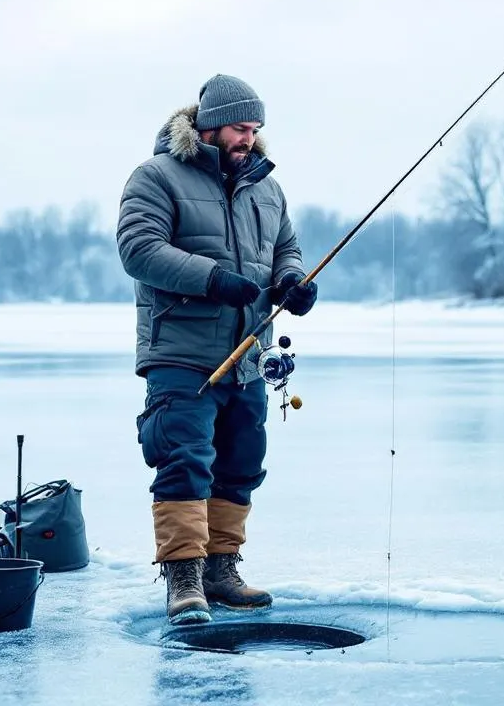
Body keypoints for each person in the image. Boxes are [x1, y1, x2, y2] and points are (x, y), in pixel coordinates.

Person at [116, 74, 319, 625]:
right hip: (180, 352)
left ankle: (221, 570)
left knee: (240, 464)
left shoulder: (267, 187)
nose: (247, 138)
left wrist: (292, 283)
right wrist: (214, 279)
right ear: (208, 125)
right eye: (238, 126)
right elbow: (138, 249)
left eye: (254, 128)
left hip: (248, 355)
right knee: (183, 462)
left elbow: (286, 248)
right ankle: (184, 579)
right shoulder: (156, 176)